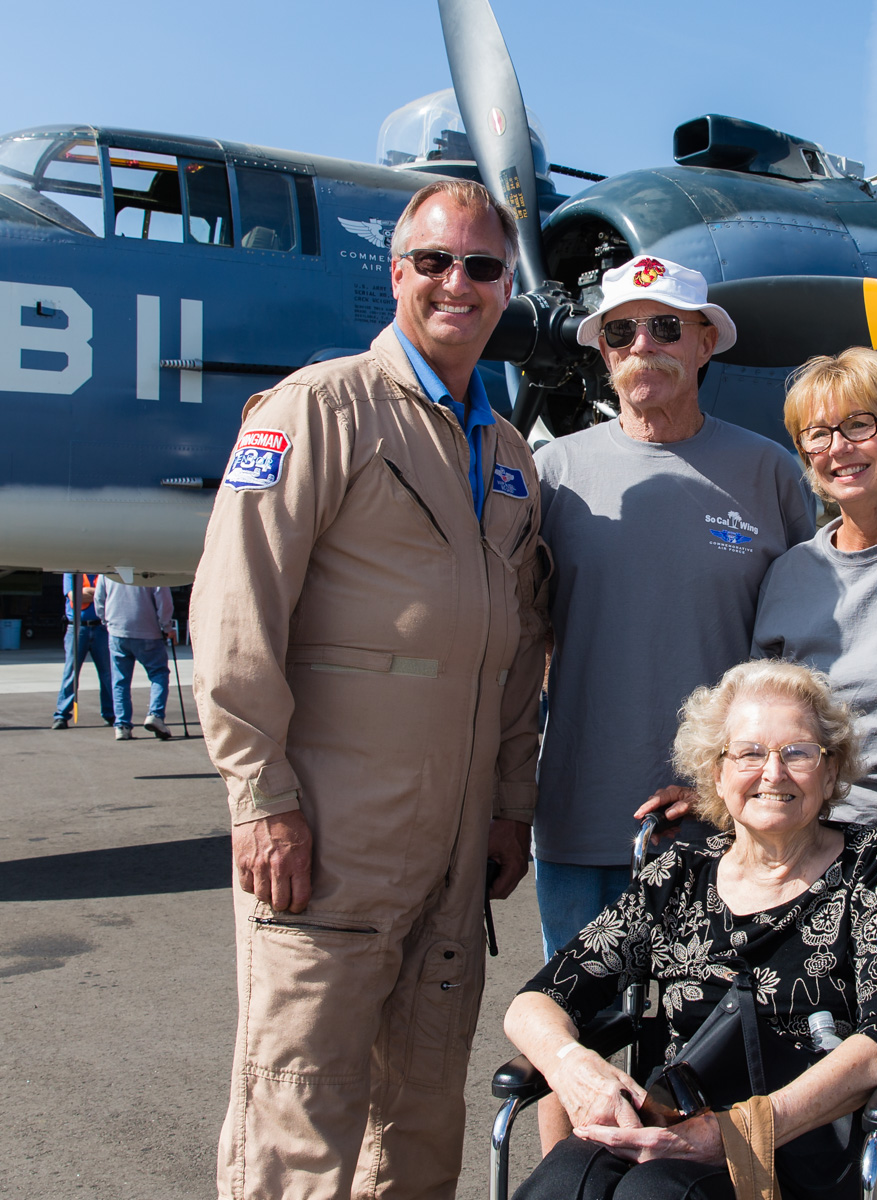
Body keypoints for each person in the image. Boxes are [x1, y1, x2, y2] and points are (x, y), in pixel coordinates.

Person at [190, 178, 550, 1200]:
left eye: (482, 267)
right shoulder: (320, 407)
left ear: (506, 286)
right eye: (433, 261)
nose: (456, 283)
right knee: (298, 1112)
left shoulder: (508, 454)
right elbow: (233, 610)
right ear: (396, 274)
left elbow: (519, 653)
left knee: (423, 1117)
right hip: (331, 842)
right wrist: (260, 797)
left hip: (451, 853)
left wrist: (509, 807)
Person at [530, 254, 814, 1144]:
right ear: (602, 354)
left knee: (716, 1060)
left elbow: (806, 648)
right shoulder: (552, 473)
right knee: (570, 1051)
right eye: (621, 332)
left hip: (730, 830)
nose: (642, 346)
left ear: (704, 343)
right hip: (579, 817)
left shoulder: (770, 473)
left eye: (664, 327)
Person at [504, 659, 877, 1200]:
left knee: (653, 1194)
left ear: (830, 770)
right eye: (749, 753)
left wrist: (739, 1132)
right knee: (564, 1184)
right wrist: (574, 1066)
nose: (773, 773)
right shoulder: (678, 875)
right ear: (717, 775)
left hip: (805, 1141)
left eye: (797, 752)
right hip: (675, 1117)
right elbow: (534, 1002)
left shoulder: (869, 868)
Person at [742, 347, 877, 825]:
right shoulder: (789, 574)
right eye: (818, 435)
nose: (838, 448)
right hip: (798, 834)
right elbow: (758, 715)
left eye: (859, 425)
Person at [92, 574, 175, 740]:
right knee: (158, 674)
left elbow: (99, 598)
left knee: (120, 680)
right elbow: (164, 600)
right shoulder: (151, 566)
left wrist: (106, 621)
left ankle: (122, 724)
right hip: (148, 631)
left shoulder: (109, 570)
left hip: (118, 630)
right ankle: (156, 714)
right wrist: (166, 626)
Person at [50, 572, 113, 729]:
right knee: (71, 672)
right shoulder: (72, 572)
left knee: (107, 673)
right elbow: (76, 597)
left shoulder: (104, 572)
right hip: (77, 627)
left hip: (101, 627)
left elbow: (109, 596)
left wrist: (87, 592)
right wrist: (97, 594)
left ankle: (111, 713)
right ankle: (62, 715)